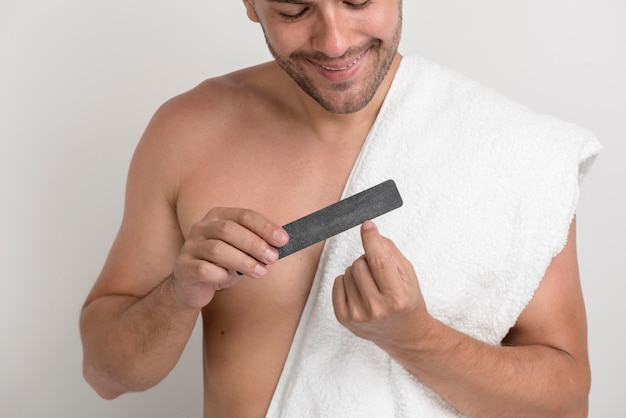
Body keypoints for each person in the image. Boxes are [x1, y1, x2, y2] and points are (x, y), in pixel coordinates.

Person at [80, 1, 601, 417]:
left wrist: (417, 338)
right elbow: (106, 375)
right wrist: (178, 294)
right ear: (250, 4)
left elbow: (566, 404)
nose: (335, 41)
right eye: (293, 11)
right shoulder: (187, 134)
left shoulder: (512, 151)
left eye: (358, 0)